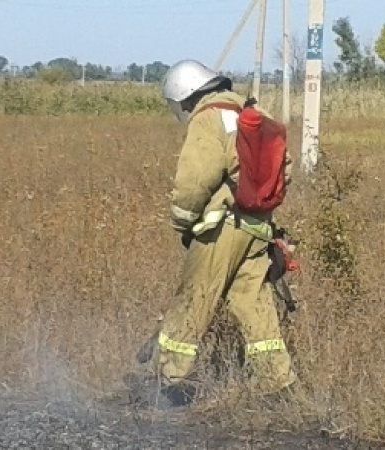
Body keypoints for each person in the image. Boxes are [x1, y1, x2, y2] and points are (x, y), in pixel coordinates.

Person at [133, 59, 297, 407]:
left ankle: (166, 384)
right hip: (258, 229)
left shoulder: (209, 118)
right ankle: (279, 386)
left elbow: (196, 179)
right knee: (252, 304)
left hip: (221, 229)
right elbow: (287, 169)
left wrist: (183, 222)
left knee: (195, 297)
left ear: (186, 96)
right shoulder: (252, 112)